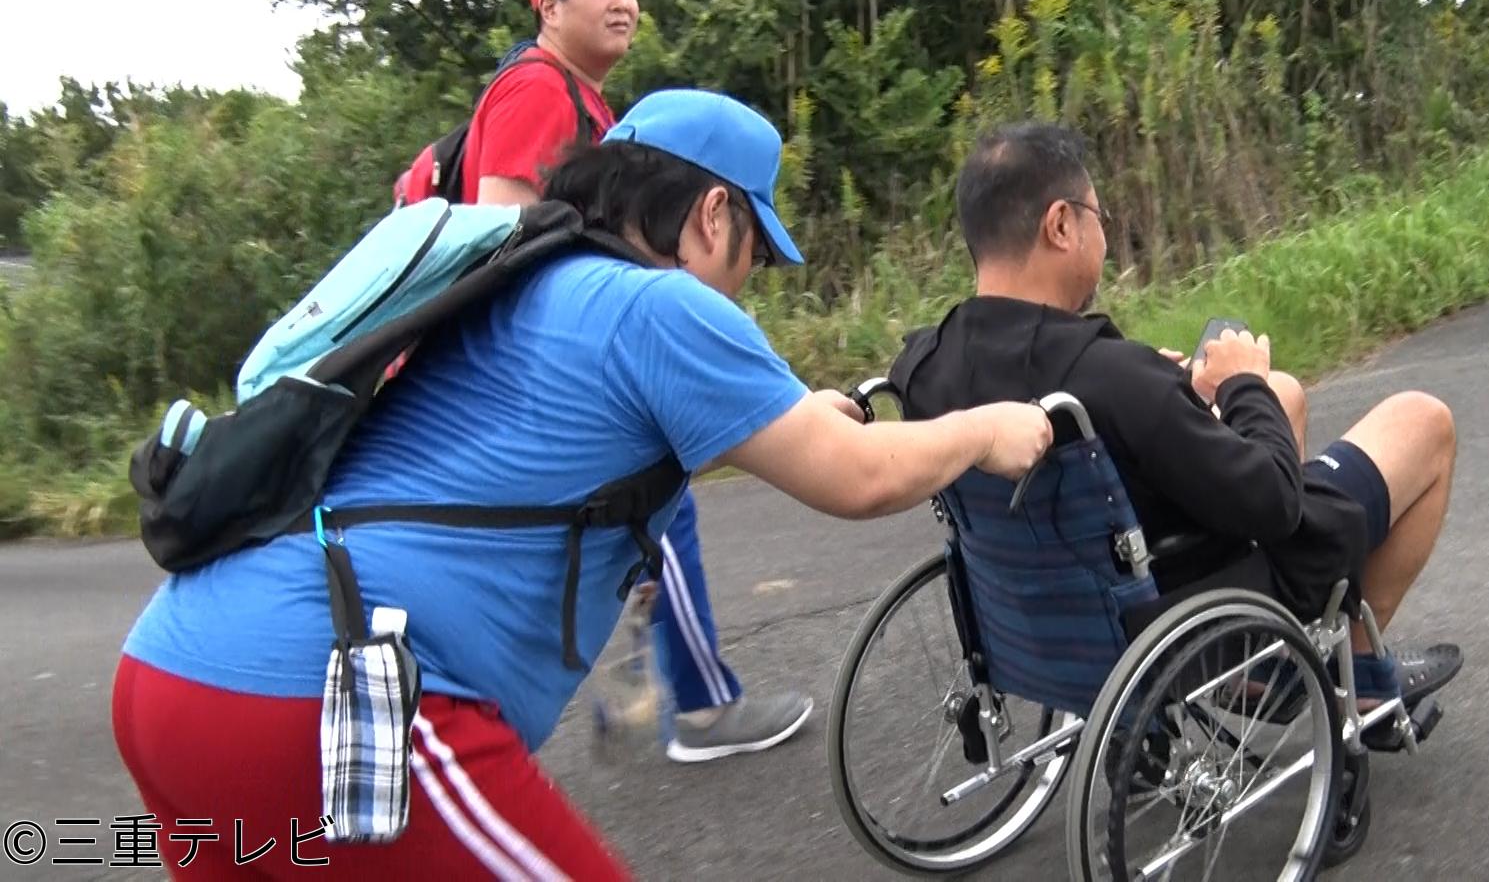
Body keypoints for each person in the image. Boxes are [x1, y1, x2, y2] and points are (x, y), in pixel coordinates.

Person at [112, 89, 1054, 878]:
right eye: (754, 256)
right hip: (337, 704)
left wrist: (781, 418)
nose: (745, 283)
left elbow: (553, 441)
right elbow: (857, 480)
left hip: (173, 674)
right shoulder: (662, 305)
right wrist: (980, 429)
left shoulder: (522, 278)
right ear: (713, 214)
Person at [888, 122, 1463, 734]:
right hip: (1179, 603)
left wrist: (1174, 392)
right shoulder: (1111, 374)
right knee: (1424, 420)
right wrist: (1242, 382)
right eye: (1097, 216)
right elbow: (1271, 503)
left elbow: (1098, 404)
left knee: (1286, 394)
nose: (1103, 236)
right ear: (1060, 225)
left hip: (1048, 609)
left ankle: (1280, 668)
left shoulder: (921, 365)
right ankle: (1362, 674)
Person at [397, 0, 812, 762]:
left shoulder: (586, 100)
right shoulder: (536, 90)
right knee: (661, 507)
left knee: (637, 514)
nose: (622, 1)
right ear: (549, 5)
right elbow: (503, 235)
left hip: (538, 363)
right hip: (529, 362)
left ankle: (639, 686)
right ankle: (695, 705)